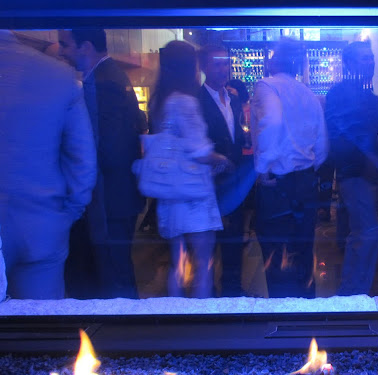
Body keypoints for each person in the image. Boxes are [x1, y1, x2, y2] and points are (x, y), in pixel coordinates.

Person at [0, 29, 96, 299]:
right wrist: (68, 213)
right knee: (41, 319)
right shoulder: (59, 75)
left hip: (40, 219)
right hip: (41, 223)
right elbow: (83, 160)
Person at [58, 29, 145, 299]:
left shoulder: (103, 82)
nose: (62, 51)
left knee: (115, 278)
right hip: (117, 195)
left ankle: (125, 324)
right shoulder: (110, 76)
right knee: (116, 272)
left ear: (85, 46)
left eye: (65, 44)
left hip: (109, 198)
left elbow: (108, 150)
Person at [148, 40, 229, 298]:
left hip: (169, 193)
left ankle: (176, 313)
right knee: (204, 263)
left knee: (178, 262)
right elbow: (200, 151)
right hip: (192, 193)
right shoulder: (185, 102)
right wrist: (223, 159)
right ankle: (201, 316)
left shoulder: (159, 101)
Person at [251, 38, 328, 298]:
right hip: (305, 182)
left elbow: (272, 122)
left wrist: (263, 167)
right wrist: (309, 167)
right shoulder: (308, 93)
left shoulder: (267, 86)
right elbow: (322, 144)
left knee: (277, 257)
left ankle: (283, 316)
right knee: (303, 252)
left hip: (278, 184)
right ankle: (305, 312)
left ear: (274, 60)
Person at [325, 41, 378, 296]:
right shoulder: (341, 94)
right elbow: (341, 135)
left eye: (371, 57)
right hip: (355, 172)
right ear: (348, 64)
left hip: (366, 173)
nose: (370, 62)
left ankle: (353, 291)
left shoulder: (366, 94)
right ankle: (353, 293)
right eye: (364, 58)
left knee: (361, 232)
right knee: (367, 233)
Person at [198, 45, 254, 297]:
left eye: (225, 63)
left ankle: (233, 290)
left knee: (233, 236)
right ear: (203, 67)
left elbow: (238, 134)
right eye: (217, 64)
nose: (223, 69)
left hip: (233, 178)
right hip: (208, 178)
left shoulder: (234, 99)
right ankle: (208, 293)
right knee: (208, 239)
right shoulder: (197, 99)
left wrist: (245, 140)